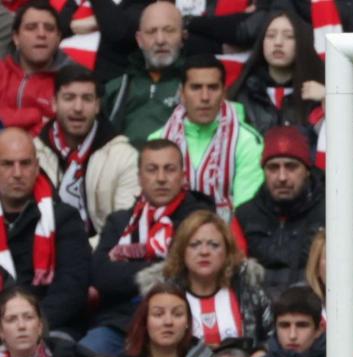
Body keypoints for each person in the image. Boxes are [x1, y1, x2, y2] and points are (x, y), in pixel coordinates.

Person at [89, 139, 214, 355]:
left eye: (169, 169)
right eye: (152, 170)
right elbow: (101, 275)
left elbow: (189, 273)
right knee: (88, 352)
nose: (161, 178)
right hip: (121, 323)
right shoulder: (119, 222)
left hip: (182, 323)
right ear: (139, 177)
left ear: (183, 176)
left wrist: (129, 268)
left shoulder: (200, 220)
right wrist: (159, 267)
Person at [148, 54, 265, 220]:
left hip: (227, 239)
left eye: (212, 88)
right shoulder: (157, 141)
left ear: (224, 92)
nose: (204, 97)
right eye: (196, 87)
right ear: (182, 93)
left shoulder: (247, 141)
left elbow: (246, 214)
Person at [0, 127, 92, 337]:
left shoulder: (64, 219)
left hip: (51, 329)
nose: (17, 173)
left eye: (25, 164)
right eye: (7, 164)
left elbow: (71, 291)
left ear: (36, 167)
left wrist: (28, 327)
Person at [137, 210, 273, 350]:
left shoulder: (247, 288)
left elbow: (273, 337)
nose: (204, 252)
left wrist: (261, 351)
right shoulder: (163, 294)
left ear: (227, 251)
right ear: (182, 251)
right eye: (194, 245)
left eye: (214, 245)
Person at [35, 65, 138, 239]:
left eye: (87, 99)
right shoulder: (33, 154)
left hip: (101, 256)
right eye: (69, 98)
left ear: (97, 105)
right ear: (54, 103)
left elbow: (124, 227)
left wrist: (78, 254)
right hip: (42, 252)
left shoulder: (125, 157)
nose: (78, 107)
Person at [234, 125, 326, 300]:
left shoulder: (329, 213)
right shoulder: (245, 215)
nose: (282, 177)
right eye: (273, 168)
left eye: (291, 167)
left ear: (307, 170)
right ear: (263, 171)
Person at [228, 11, 325, 142]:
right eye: (271, 35)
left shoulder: (318, 95)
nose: (278, 42)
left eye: (289, 36)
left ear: (302, 43)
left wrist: (328, 100)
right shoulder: (241, 95)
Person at [103, 1, 186, 149]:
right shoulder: (116, 90)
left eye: (169, 30)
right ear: (139, 40)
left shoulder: (195, 86)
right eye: (151, 32)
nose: (160, 40)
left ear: (182, 36)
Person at [0, 2, 71, 134]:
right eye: (31, 27)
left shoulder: (71, 81)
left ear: (58, 39)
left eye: (49, 28)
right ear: (16, 38)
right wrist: (34, 115)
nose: (41, 34)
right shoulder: (2, 71)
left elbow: (63, 135)